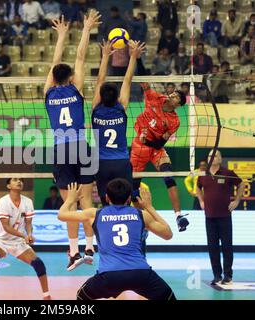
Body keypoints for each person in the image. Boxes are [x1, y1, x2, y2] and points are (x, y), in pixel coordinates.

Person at [43, 12, 101, 271]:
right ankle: (90, 247)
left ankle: (74, 252)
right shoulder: (76, 91)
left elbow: (54, 64)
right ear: (69, 78)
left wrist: (61, 35)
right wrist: (86, 28)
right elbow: (80, 57)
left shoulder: (48, 93)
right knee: (87, 202)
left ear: (53, 78)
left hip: (61, 149)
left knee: (69, 204)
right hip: (81, 148)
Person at [58, 180, 176, 300]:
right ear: (129, 198)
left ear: (107, 197)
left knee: (81, 296)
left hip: (109, 276)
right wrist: (149, 207)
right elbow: (168, 234)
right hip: (140, 273)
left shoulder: (94, 214)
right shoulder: (141, 214)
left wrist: (71, 199)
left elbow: (61, 215)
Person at [132, 57, 190, 232]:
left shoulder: (174, 121)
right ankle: (136, 218)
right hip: (139, 147)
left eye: (175, 97)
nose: (171, 95)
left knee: (168, 175)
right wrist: (138, 58)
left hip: (154, 148)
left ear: (178, 105)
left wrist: (146, 139)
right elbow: (144, 81)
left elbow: (159, 143)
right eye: (172, 93)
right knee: (134, 185)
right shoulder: (154, 97)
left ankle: (178, 216)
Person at [91, 40, 145, 207]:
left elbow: (100, 80)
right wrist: (133, 57)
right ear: (116, 97)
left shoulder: (95, 110)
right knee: (125, 201)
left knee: (105, 201)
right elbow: (127, 80)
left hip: (102, 162)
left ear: (101, 96)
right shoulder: (121, 108)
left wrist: (105, 56)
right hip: (121, 161)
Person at [0, 178, 51, 300]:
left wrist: (29, 234)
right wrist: (24, 236)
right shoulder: (3, 202)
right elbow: (7, 227)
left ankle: (47, 296)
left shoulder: (28, 202)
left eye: (21, 180)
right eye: (15, 180)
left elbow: (29, 223)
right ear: (9, 186)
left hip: (18, 242)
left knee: (39, 264)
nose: (19, 182)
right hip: (2, 240)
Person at [197, 150, 245, 285]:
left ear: (221, 158)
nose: (213, 157)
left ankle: (228, 275)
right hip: (209, 217)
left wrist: (236, 201)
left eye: (216, 155)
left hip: (224, 216)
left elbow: (241, 184)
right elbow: (198, 187)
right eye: (210, 155)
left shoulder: (227, 173)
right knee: (212, 247)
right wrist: (201, 201)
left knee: (227, 247)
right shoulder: (203, 174)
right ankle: (217, 275)